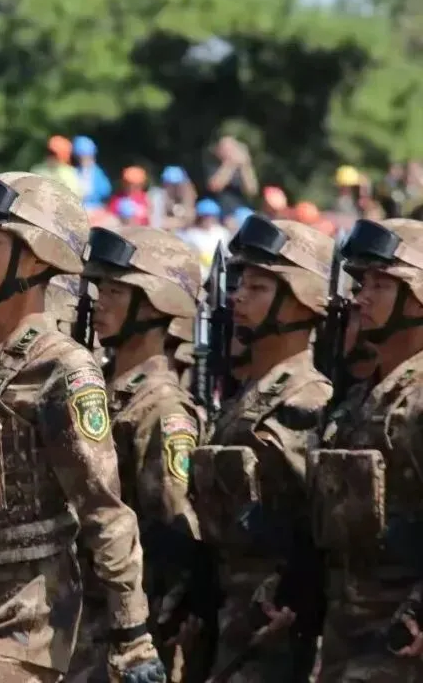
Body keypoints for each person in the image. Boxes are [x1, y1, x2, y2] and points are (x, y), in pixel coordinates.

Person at [0, 172, 162, 681]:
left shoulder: (62, 368)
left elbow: (103, 508)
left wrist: (133, 634)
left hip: (28, 616)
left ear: (35, 258)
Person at [191, 216, 333, 682]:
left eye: (258, 288)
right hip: (231, 621)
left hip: (275, 629)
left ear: (301, 300)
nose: (237, 297)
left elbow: (317, 530)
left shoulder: (309, 401)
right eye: (240, 284)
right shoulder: (250, 395)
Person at [71, 227, 204, 683]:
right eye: (101, 290)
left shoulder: (161, 407)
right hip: (81, 617)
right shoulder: (102, 388)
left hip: (120, 631)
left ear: (153, 305)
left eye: (116, 292)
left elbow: (172, 526)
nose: (100, 303)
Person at [312, 218, 423, 681]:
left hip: (401, 641)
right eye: (362, 285)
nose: (361, 298)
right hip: (347, 632)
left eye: (380, 285)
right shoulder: (359, 398)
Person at [203, 135, 258, 217]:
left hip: (240, 208)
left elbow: (252, 191)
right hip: (218, 207)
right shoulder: (213, 165)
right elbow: (215, 187)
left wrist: (246, 164)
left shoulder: (241, 168)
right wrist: (230, 163)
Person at [178, 199, 231, 278]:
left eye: (211, 216)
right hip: (198, 274)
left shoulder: (223, 233)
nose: (208, 219)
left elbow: (228, 253)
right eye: (205, 216)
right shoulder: (190, 234)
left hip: (218, 274)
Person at [73, 136, 112, 208]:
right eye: (81, 157)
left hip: (95, 208)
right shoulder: (74, 171)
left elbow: (105, 190)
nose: (84, 159)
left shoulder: (97, 172)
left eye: (87, 156)